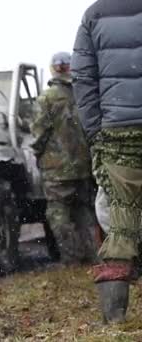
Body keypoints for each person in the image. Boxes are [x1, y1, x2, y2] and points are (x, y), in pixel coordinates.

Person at [72, 0, 142, 324]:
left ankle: (114, 322)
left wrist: (97, 132)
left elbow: (83, 80)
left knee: (120, 214)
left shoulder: (95, 14)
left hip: (117, 129)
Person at [30, 52, 97, 265]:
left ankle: (72, 259)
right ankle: (95, 256)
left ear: (53, 69)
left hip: (57, 169)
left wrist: (37, 153)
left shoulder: (46, 98)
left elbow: (39, 133)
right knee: (84, 211)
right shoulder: (84, 95)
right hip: (84, 166)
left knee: (58, 214)